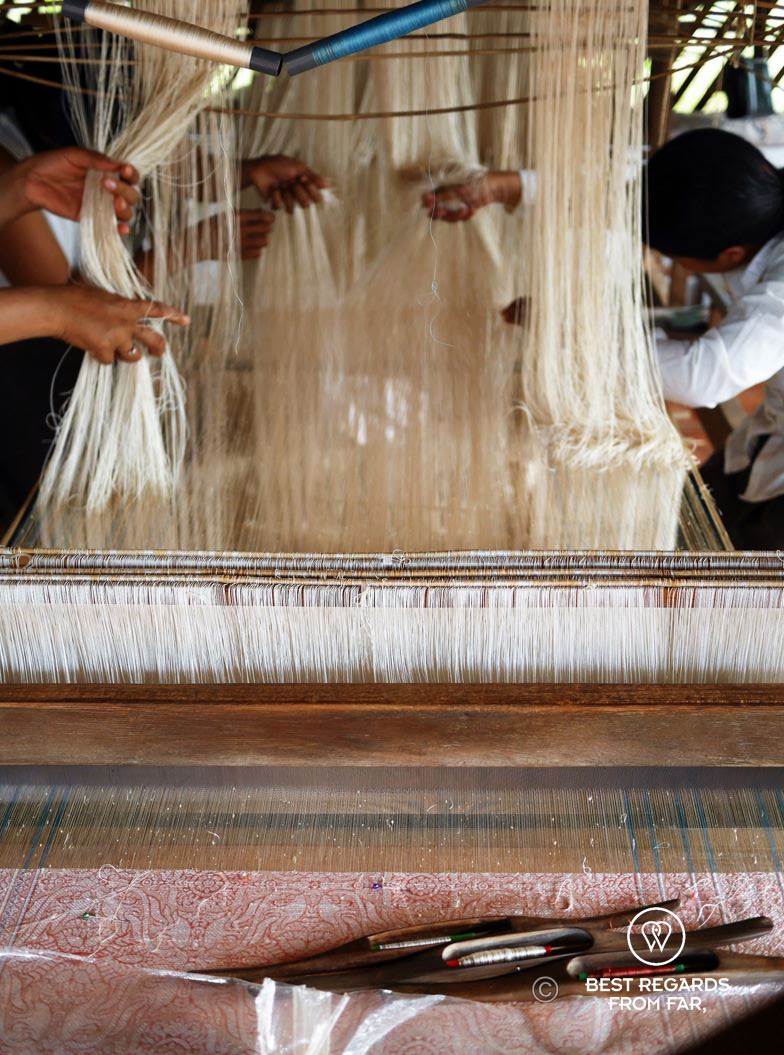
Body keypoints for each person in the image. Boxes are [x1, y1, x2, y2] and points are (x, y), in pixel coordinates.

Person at [422, 130, 784, 550]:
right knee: (693, 539)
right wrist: (504, 187)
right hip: (763, 444)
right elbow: (641, 200)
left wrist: (572, 332)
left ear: (731, 255)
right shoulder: (757, 200)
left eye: (672, 254)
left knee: (736, 600)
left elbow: (700, 377)